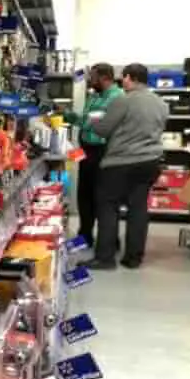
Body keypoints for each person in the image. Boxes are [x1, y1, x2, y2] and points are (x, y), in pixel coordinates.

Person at [89, 63, 168, 269]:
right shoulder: (161, 103)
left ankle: (105, 258)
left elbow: (103, 130)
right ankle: (133, 258)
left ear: (129, 77)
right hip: (150, 162)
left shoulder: (122, 100)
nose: (121, 81)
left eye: (123, 78)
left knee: (108, 207)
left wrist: (93, 119)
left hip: (121, 163)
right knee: (138, 208)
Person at [61, 63, 122, 248]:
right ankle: (85, 235)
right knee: (85, 195)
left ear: (104, 77)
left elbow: (92, 121)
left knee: (103, 198)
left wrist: (77, 119)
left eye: (93, 77)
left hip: (104, 151)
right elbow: (86, 119)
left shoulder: (117, 97)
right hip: (87, 151)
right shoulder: (95, 95)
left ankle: (110, 239)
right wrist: (68, 116)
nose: (90, 81)